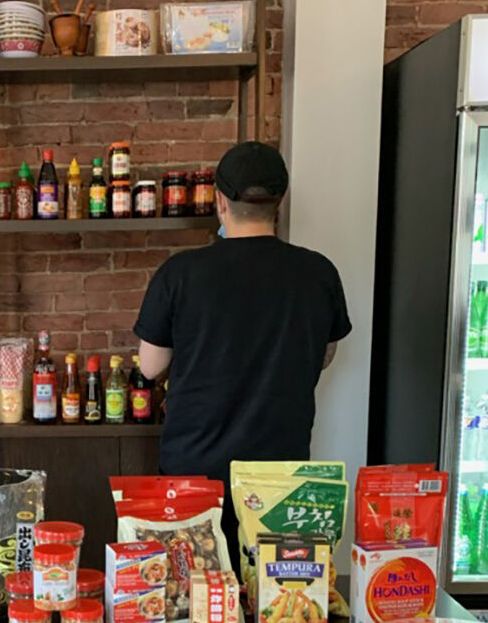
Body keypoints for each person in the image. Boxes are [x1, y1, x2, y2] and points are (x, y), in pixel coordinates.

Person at [134, 141, 351, 556]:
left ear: (220, 201)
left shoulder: (180, 273)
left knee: (195, 601)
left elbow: (149, 366)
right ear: (280, 203)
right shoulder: (318, 273)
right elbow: (325, 355)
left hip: (195, 474)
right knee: (279, 602)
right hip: (281, 477)